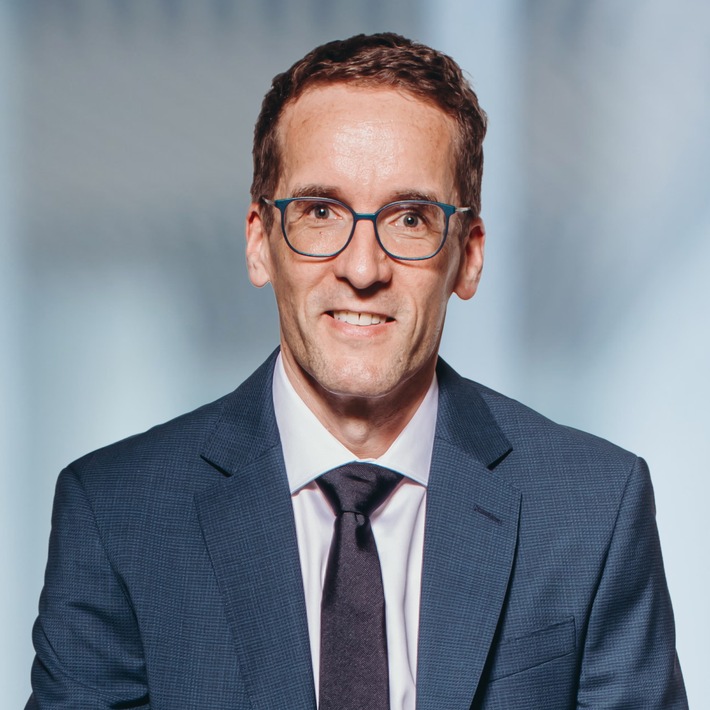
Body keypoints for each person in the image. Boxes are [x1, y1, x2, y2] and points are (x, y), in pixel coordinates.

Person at [27, 32, 687, 709]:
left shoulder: (593, 510)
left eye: (410, 218)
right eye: (320, 212)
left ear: (468, 257)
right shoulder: (116, 514)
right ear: (259, 243)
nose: (363, 268)